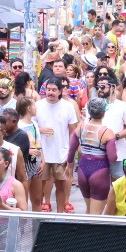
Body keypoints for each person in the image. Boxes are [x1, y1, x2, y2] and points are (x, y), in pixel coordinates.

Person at [35, 77, 79, 213]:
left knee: (61, 186)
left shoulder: (68, 107)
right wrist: (40, 130)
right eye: (48, 89)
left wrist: (70, 153)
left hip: (61, 153)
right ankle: (41, 211)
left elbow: (73, 131)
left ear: (60, 91)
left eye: (54, 90)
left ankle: (60, 215)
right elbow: (30, 127)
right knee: (39, 187)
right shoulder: (38, 105)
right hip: (42, 154)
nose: (50, 93)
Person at [69, 99, 119, 215]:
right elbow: (113, 158)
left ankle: (86, 233)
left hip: (83, 169)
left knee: (89, 210)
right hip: (100, 171)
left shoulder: (81, 127)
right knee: (96, 215)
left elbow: (72, 149)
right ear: (103, 113)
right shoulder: (107, 132)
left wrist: (69, 166)